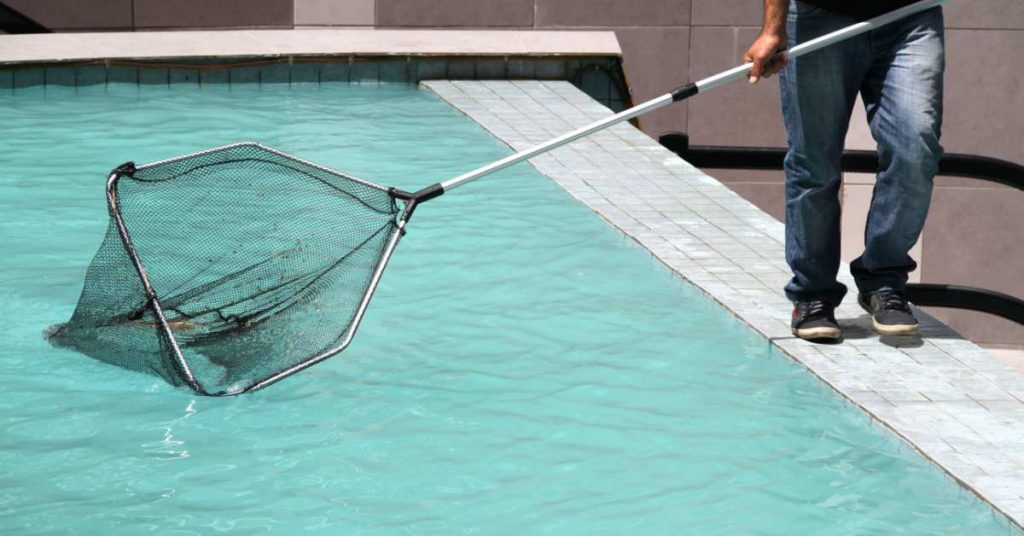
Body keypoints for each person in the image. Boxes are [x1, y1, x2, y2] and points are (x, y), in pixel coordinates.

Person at [744, 0, 945, 341]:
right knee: (814, 164)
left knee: (916, 150)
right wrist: (773, 28)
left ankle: (882, 278)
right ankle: (813, 295)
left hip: (911, 15)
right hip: (818, 17)